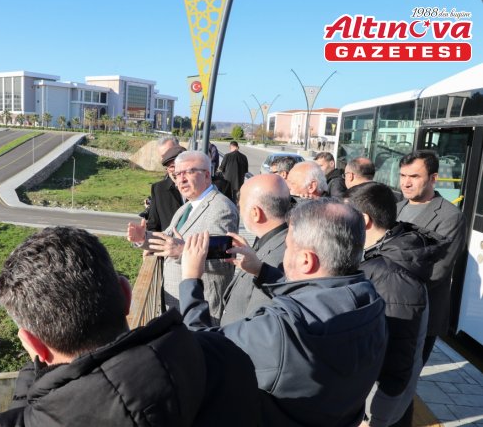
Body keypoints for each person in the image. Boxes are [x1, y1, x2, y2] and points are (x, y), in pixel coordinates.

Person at [0, 226, 261, 427]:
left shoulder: (36, 418)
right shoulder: (226, 357)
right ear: (126, 295)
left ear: (34, 345)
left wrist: (33, 375)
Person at [179, 199, 388, 427]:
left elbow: (197, 349)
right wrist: (261, 270)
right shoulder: (370, 301)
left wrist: (191, 279)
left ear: (306, 260)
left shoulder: (278, 329)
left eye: (288, 247)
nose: (284, 253)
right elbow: (320, 296)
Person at [346, 182, 447, 427]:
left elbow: (397, 360)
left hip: (373, 412)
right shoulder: (381, 257)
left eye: (343, 216)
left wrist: (372, 417)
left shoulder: (392, 276)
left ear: (363, 220)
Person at [127, 150, 238, 324]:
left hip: (202, 308)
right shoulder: (185, 208)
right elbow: (169, 240)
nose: (181, 179)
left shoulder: (221, 208)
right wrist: (143, 239)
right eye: (178, 174)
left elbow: (224, 260)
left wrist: (182, 251)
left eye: (189, 172)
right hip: (180, 304)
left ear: (207, 175)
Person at [396, 150, 466, 363]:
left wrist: (388, 287)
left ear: (433, 178)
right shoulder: (396, 208)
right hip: (387, 308)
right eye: (403, 176)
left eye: (414, 177)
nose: (406, 183)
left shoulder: (450, 217)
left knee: (405, 380)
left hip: (419, 314)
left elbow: (438, 270)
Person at [220, 173, 290, 325]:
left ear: (255, 213)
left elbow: (257, 323)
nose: (239, 210)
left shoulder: (281, 257)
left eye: (241, 205)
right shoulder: (274, 240)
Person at [145, 145, 185, 232]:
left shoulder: (200, 189)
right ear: (167, 169)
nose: (176, 171)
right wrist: (142, 239)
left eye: (179, 166)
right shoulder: (159, 189)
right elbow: (153, 226)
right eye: (171, 167)